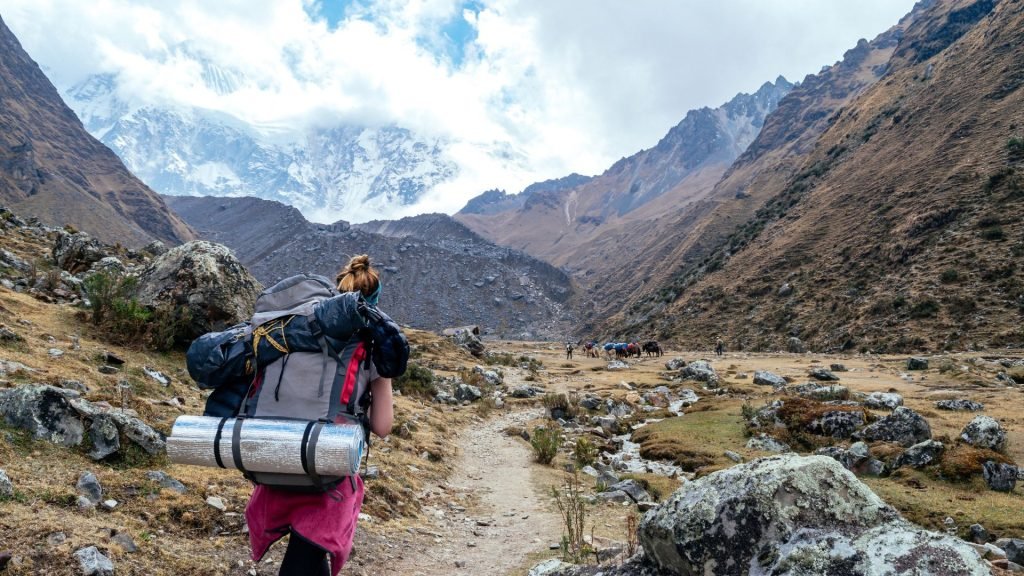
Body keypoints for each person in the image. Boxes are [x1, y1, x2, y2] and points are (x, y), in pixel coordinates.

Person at [245, 254, 395, 576]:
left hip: (275, 457)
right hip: (328, 473)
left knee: (308, 560)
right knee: (305, 559)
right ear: (374, 304)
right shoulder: (368, 348)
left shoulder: (293, 332)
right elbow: (383, 427)